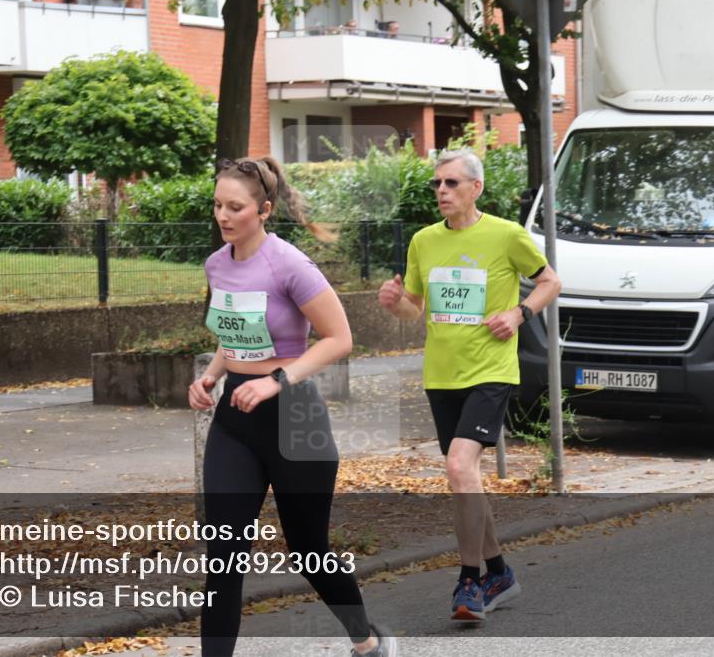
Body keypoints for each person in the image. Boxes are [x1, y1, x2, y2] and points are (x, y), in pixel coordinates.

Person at [190, 156, 398, 657]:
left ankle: (366, 639)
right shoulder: (217, 264)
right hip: (235, 421)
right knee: (223, 556)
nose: (223, 215)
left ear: (263, 209)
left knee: (309, 552)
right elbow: (236, 332)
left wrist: (277, 381)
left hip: (294, 418)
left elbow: (339, 338)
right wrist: (213, 375)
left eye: (235, 207)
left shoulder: (289, 263)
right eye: (217, 204)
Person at [378, 148, 561, 621]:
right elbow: (414, 309)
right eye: (437, 184)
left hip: (491, 371)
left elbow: (549, 282)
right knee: (467, 477)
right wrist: (394, 302)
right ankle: (500, 571)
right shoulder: (423, 241)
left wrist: (520, 313)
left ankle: (469, 582)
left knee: (459, 466)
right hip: (442, 375)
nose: (441, 191)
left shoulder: (506, 235)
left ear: (475, 188)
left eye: (451, 183)